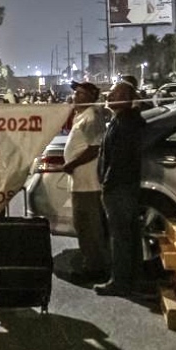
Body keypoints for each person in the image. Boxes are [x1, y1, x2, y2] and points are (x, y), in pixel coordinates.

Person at [95, 81, 146, 297]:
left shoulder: (126, 124)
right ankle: (131, 279)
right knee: (126, 235)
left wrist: (107, 183)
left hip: (120, 187)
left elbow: (120, 159)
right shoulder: (122, 120)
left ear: (125, 97)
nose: (109, 95)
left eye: (114, 93)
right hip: (121, 185)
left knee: (121, 236)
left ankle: (121, 281)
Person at [61, 81, 111, 282]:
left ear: (91, 96)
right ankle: (90, 263)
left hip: (89, 183)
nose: (76, 96)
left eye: (81, 94)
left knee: (90, 227)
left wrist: (71, 164)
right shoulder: (80, 115)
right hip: (80, 182)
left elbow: (95, 147)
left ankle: (95, 268)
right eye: (76, 93)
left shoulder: (91, 116)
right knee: (82, 226)